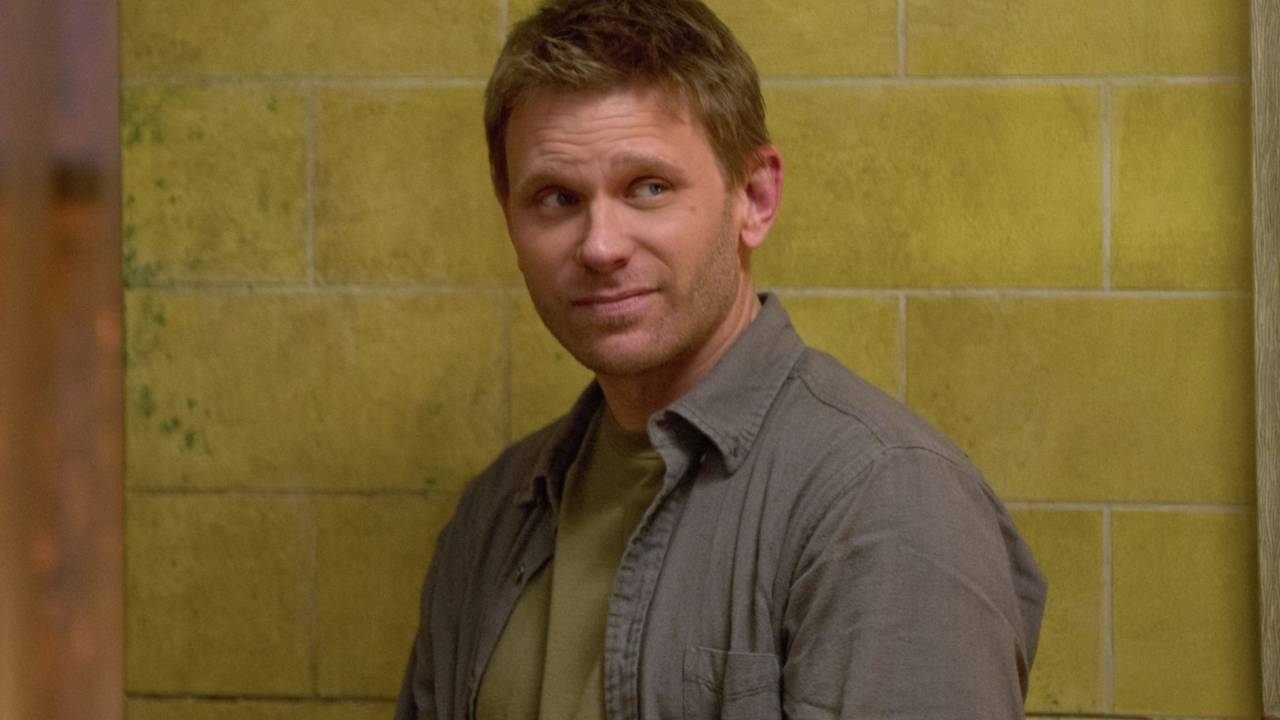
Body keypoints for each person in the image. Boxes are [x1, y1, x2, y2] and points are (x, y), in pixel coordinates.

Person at [396, 0, 1047, 717]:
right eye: (556, 198)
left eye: (649, 187)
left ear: (755, 198)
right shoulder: (494, 512)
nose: (600, 245)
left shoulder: (884, 502)